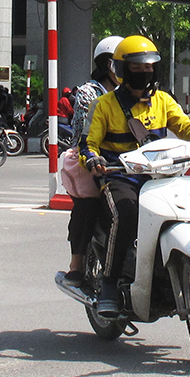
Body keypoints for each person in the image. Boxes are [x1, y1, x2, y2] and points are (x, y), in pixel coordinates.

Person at [81, 35, 190, 317]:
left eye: (148, 67)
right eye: (136, 68)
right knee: (125, 213)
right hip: (120, 178)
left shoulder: (163, 101)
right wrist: (93, 160)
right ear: (122, 70)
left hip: (159, 177)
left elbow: (186, 127)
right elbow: (88, 144)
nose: (143, 72)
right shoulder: (104, 105)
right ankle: (110, 284)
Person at [61, 35, 123, 287]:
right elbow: (82, 135)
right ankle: (76, 264)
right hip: (95, 159)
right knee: (87, 206)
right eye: (125, 64)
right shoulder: (89, 93)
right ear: (109, 65)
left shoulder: (137, 92)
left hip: (130, 161)